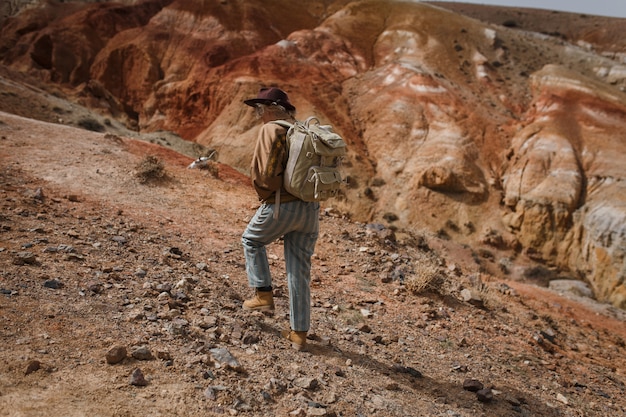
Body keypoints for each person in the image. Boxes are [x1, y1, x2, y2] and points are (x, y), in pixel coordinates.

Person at [241, 87, 320, 351]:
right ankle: (299, 335)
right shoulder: (301, 129)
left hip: (281, 206)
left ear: (270, 109)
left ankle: (263, 294)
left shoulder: (271, 129)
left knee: (251, 240)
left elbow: (266, 174)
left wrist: (265, 195)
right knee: (298, 271)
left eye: (259, 108)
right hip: (310, 210)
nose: (257, 113)